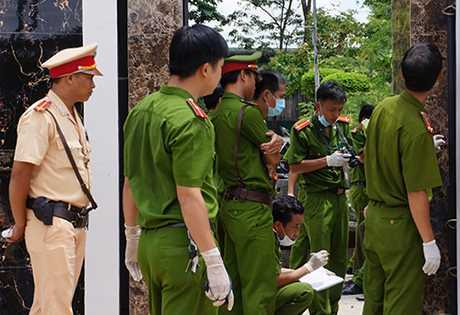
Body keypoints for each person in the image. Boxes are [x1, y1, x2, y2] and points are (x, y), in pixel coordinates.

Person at [122, 25, 233, 315]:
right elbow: (189, 196)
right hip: (184, 245)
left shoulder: (141, 111)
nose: (220, 75)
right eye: (221, 67)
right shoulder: (191, 119)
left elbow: (130, 182)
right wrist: (213, 259)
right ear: (206, 69)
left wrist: (132, 236)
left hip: (151, 243)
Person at [7, 44, 101, 314]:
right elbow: (20, 174)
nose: (93, 84)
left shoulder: (71, 116)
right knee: (56, 308)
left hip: (73, 223)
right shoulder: (41, 116)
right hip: (51, 223)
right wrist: (20, 224)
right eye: (89, 77)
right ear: (70, 77)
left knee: (49, 306)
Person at [363, 43, 444, 314]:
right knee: (401, 304)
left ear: (402, 74)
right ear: (438, 78)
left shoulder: (383, 108)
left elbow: (380, 154)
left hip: (373, 218)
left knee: (373, 300)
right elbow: (417, 192)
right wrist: (429, 242)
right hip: (399, 227)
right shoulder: (416, 128)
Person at [211, 51, 284, 315]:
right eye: (253, 75)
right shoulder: (247, 113)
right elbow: (273, 158)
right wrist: (276, 146)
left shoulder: (215, 113)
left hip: (228, 205)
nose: (256, 82)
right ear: (243, 75)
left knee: (234, 287)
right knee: (259, 286)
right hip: (253, 208)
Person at [284, 81, 352, 314]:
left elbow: (358, 153)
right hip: (317, 199)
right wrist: (327, 161)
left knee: (340, 258)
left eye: (340, 109)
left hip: (340, 199)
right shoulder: (303, 130)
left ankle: (332, 308)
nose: (336, 114)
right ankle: (319, 310)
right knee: (320, 257)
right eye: (332, 109)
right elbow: (294, 165)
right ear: (318, 106)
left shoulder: (342, 126)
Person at [271, 195, 326, 315]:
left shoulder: (272, 237)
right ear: (278, 225)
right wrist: (308, 268)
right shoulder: (266, 241)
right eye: (295, 226)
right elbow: (272, 279)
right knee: (304, 291)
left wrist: (314, 271)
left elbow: (273, 270)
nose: (298, 232)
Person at [342, 104, 373, 298]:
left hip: (365, 186)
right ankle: (358, 274)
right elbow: (362, 157)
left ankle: (358, 273)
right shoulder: (359, 132)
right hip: (361, 186)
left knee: (364, 231)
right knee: (363, 232)